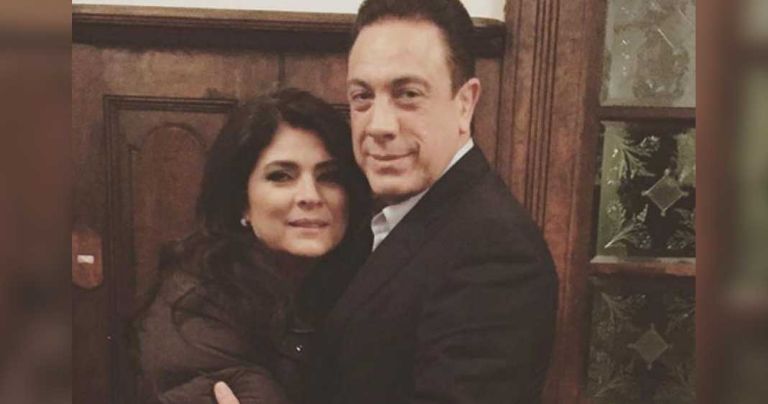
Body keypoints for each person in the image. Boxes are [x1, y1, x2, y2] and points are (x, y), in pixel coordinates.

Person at [216, 0, 559, 403]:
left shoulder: (497, 252)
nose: (379, 125)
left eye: (407, 94)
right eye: (362, 96)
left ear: (465, 103)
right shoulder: (383, 212)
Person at [135, 88, 370, 404]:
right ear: (241, 202)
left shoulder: (358, 281)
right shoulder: (197, 306)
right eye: (281, 176)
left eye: (329, 176)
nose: (310, 196)